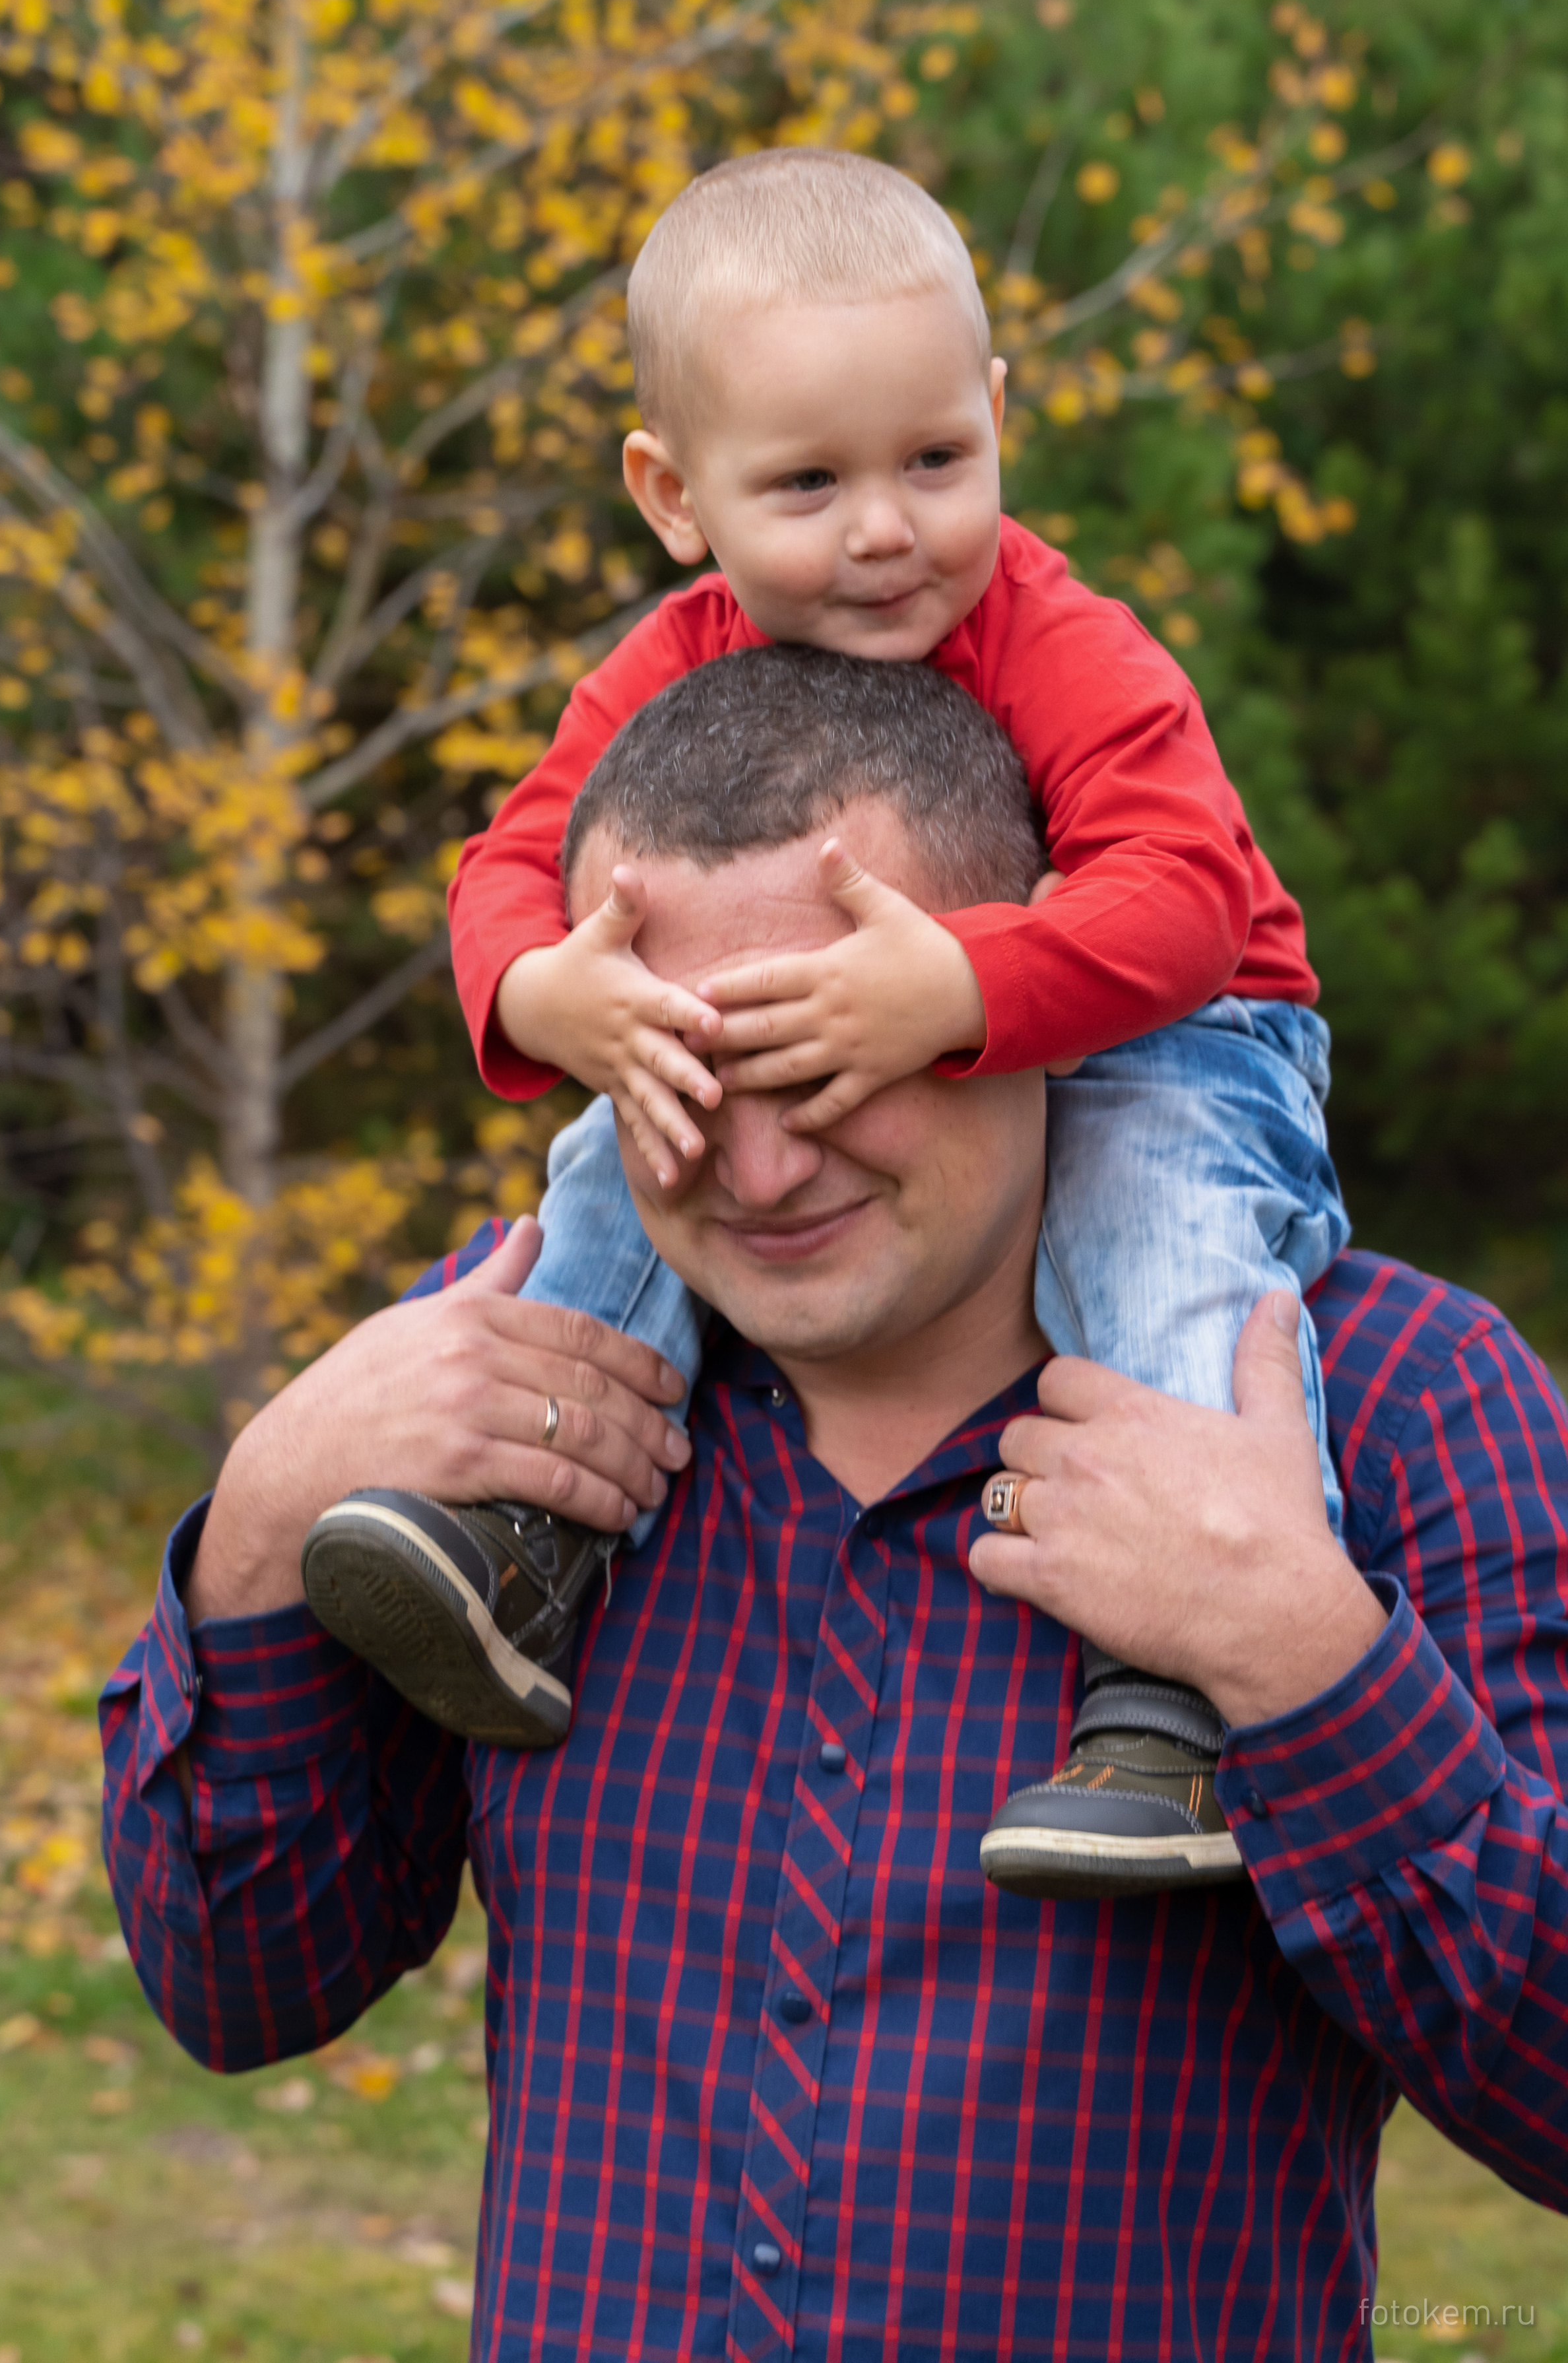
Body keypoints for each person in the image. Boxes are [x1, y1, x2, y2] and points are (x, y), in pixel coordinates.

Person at [102, 660, 1568, 2361]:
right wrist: (265, 1518)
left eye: (824, 1064)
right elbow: (241, 1980)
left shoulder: (1384, 1405)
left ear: (1024, 982)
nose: (764, 1172)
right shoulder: (506, 1395)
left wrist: (1308, 1662)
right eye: (682, 1084)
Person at [300, 147, 1349, 1899]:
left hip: (1182, 1027)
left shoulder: (1069, 642)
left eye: (937, 459)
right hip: (862, 1015)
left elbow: (1183, 902)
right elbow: (512, 859)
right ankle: (527, 1537)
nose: (886, 529)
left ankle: (1173, 1697)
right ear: (673, 491)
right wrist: (558, 992)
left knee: (1157, 1229)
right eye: (808, 481)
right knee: (610, 1159)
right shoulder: (669, 660)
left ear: (998, 411)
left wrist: (961, 987)